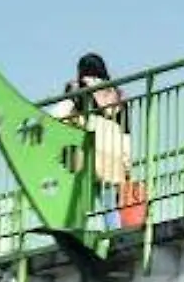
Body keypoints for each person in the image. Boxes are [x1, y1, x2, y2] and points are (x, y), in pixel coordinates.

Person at [49, 52, 132, 229]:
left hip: (88, 153)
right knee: (110, 205)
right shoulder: (117, 95)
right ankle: (115, 235)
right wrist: (126, 164)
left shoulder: (79, 88)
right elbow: (126, 134)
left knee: (78, 203)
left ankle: (75, 235)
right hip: (113, 156)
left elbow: (57, 115)